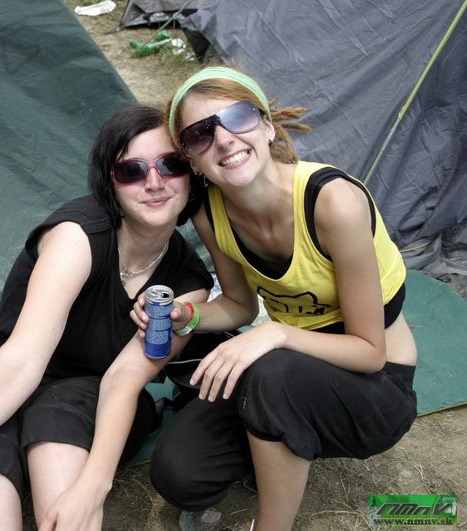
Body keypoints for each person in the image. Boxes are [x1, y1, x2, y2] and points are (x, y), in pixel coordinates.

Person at [0, 106, 214, 530]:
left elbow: (123, 379)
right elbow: (20, 364)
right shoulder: (78, 237)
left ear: (191, 172)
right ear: (109, 181)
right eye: (131, 170)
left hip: (94, 402)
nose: (154, 182)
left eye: (171, 164)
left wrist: (93, 487)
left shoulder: (187, 286)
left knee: (58, 417)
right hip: (4, 386)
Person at [133, 66, 418, 530]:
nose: (223, 139)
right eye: (201, 133)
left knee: (270, 371)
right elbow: (240, 306)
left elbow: (370, 352)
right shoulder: (211, 213)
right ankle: (285, 435)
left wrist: (277, 333)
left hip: (376, 386)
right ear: (192, 160)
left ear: (266, 126)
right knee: (180, 474)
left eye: (238, 117)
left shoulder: (332, 202)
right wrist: (187, 314)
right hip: (284, 373)